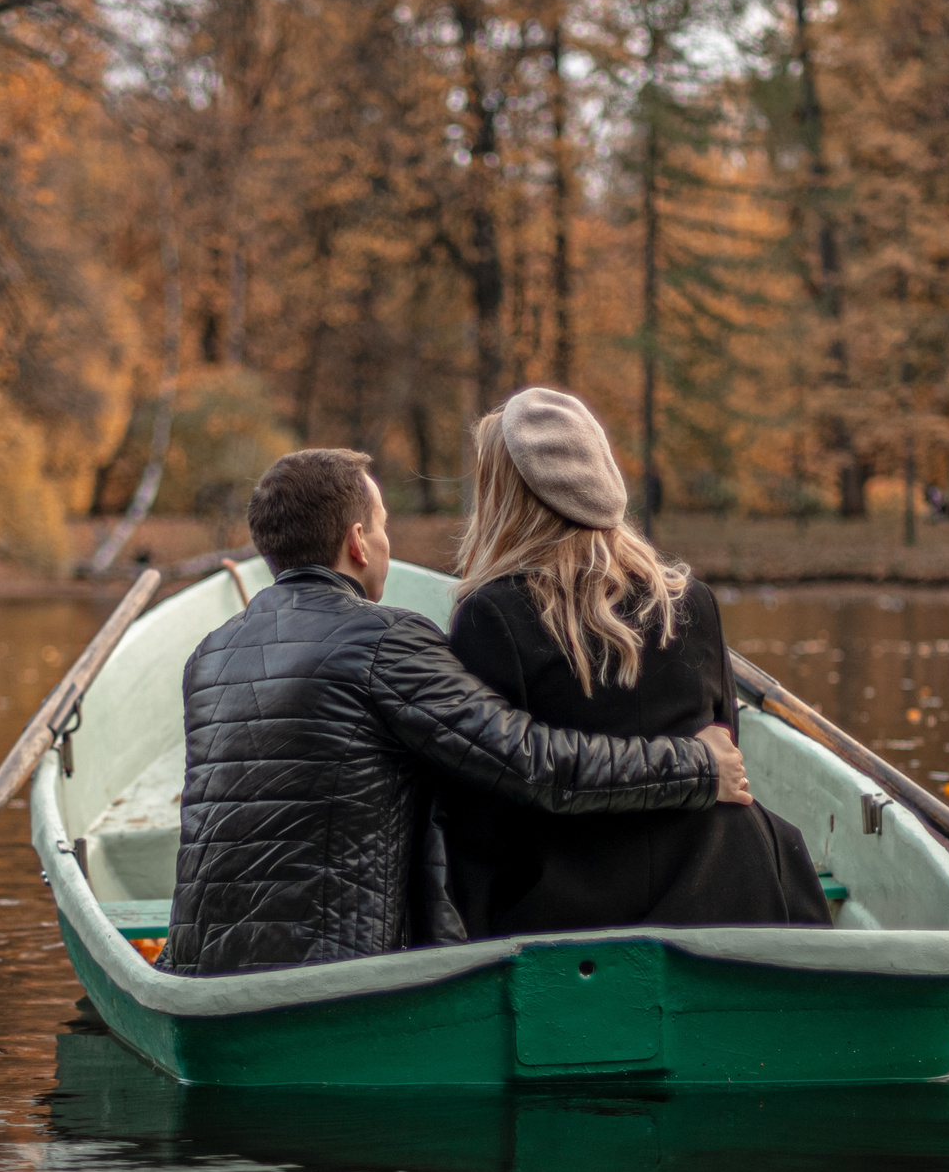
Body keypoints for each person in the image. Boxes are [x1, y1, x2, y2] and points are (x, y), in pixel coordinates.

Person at [164, 448, 749, 976]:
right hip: (332, 979)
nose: (388, 546)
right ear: (358, 542)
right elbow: (533, 763)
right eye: (386, 529)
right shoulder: (385, 642)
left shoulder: (208, 655)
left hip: (198, 970)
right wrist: (697, 766)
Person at [439, 388, 831, 938]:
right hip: (730, 892)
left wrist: (464, 945)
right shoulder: (691, 601)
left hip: (569, 917)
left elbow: (484, 816)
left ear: (503, 497)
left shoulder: (491, 616)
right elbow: (728, 761)